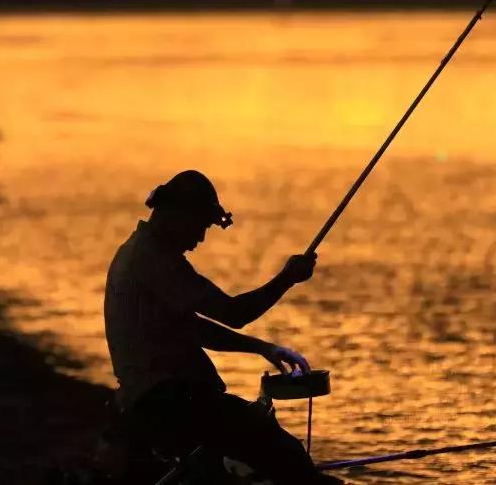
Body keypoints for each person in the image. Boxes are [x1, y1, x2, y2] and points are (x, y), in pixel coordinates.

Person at [103, 170, 343, 484]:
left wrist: (263, 348)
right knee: (284, 453)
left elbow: (196, 330)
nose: (200, 239)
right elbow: (233, 312)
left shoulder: (143, 253)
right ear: (178, 214)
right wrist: (287, 279)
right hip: (166, 402)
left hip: (158, 400)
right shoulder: (152, 261)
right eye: (201, 226)